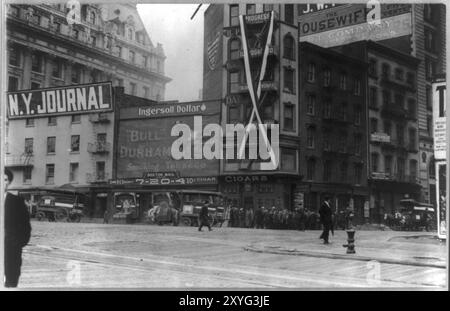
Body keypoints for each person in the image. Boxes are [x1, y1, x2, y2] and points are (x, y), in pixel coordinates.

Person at [4, 168, 32, 287]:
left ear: (9, 182)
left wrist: (17, 244)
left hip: (10, 253)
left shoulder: (17, 202)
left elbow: (26, 228)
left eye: (5, 179)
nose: (2, 182)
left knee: (10, 283)